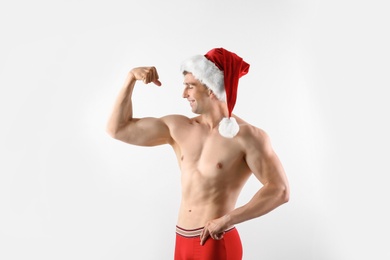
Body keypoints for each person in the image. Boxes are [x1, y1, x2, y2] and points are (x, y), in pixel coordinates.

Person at [106, 48, 289, 260]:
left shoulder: (246, 136)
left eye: (190, 86)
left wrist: (228, 219)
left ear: (212, 89)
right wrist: (130, 79)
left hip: (216, 243)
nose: (184, 94)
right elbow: (117, 129)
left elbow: (280, 190)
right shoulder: (178, 128)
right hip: (181, 241)